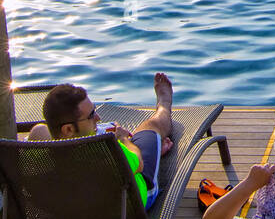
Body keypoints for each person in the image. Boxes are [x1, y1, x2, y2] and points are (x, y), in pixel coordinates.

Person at [26, 73, 178, 209]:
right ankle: (163, 105)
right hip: (129, 206)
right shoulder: (106, 150)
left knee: (39, 130)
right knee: (149, 128)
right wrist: (124, 140)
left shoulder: (33, 150)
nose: (98, 118)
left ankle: (153, 148)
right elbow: (138, 163)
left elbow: (41, 135)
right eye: (91, 114)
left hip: (70, 214)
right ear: (68, 130)